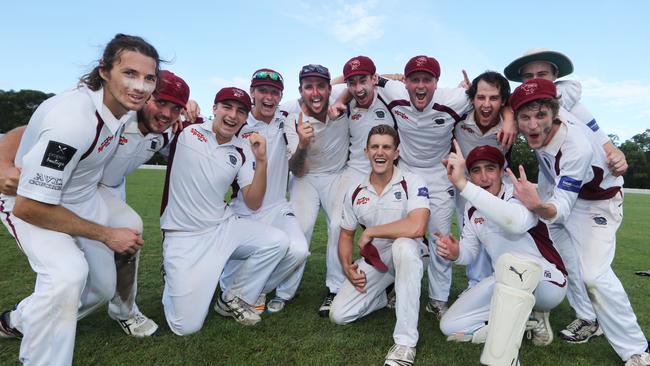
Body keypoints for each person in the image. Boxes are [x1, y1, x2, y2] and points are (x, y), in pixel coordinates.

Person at [0, 33, 160, 365]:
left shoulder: (125, 107)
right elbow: (31, 206)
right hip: (28, 203)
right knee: (67, 274)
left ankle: (16, 321)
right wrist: (106, 235)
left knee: (101, 288)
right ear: (104, 70)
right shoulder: (74, 120)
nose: (141, 86)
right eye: (130, 73)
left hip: (79, 198)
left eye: (149, 78)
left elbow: (30, 127)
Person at [0, 69, 191, 338]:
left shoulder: (170, 130)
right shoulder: (117, 111)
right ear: (144, 96)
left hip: (102, 192)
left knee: (126, 239)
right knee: (70, 270)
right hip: (61, 190)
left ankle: (124, 310)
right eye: (161, 102)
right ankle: (23, 321)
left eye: (176, 108)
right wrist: (2, 164)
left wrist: (190, 114)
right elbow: (27, 130)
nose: (167, 114)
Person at [508, 78, 649, 366]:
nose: (532, 125)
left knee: (594, 275)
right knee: (565, 261)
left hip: (598, 203)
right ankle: (587, 318)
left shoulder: (576, 148)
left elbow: (560, 208)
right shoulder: (550, 112)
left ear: (555, 113)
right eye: (525, 117)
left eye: (540, 116)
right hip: (567, 197)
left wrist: (536, 203)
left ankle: (637, 349)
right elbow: (571, 88)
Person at [159, 87, 292, 334]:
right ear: (214, 108)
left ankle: (232, 297)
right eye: (227, 107)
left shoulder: (242, 148)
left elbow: (253, 201)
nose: (233, 115)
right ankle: (172, 276)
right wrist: (180, 105)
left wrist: (262, 161)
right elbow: (156, 115)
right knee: (185, 326)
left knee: (278, 241)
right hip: (183, 234)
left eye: (241, 111)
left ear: (245, 117)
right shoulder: (187, 128)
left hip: (221, 227)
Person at [436, 144, 567, 365]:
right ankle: (523, 319)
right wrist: (456, 252)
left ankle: (505, 359)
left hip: (548, 282)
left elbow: (515, 222)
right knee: (450, 325)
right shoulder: (471, 207)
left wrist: (462, 184)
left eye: (490, 168)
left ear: (501, 171)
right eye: (476, 170)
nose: (484, 176)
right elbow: (470, 252)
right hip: (504, 282)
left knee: (515, 266)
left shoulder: (518, 194)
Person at [329, 124, 429, 366]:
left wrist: (373, 231)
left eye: (386, 147)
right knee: (339, 315)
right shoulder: (355, 190)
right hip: (377, 259)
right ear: (366, 152)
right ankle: (384, 295)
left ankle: (405, 343)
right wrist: (347, 267)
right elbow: (345, 235)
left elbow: (417, 227)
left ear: (396, 153)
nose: (380, 152)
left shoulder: (412, 181)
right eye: (374, 147)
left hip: (412, 251)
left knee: (403, 246)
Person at [219, 69, 309, 314]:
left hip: (278, 206)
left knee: (299, 250)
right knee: (234, 268)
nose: (269, 97)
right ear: (252, 93)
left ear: (280, 96)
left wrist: (302, 144)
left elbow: (315, 93)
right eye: (263, 91)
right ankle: (235, 289)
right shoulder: (238, 122)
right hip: (243, 208)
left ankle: (247, 292)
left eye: (274, 92)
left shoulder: (287, 118)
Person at [283, 64, 350, 316]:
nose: (316, 92)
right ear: (300, 90)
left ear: (329, 87)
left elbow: (359, 80)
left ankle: (335, 289)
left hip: (337, 175)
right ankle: (285, 290)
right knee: (301, 228)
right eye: (309, 87)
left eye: (321, 86)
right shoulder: (293, 117)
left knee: (337, 226)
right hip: (306, 177)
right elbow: (297, 169)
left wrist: (393, 77)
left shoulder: (339, 96)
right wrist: (302, 145)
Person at [453, 71, 512, 288]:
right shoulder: (459, 116)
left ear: (503, 101)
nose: (486, 104)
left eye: (494, 98)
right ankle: (476, 287)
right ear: (472, 98)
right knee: (472, 237)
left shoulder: (510, 124)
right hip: (466, 186)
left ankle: (509, 286)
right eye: (481, 97)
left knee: (503, 237)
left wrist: (510, 117)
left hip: (499, 187)